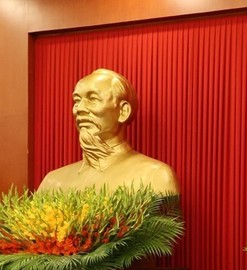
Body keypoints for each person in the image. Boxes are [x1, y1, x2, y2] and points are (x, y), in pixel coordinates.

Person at [38, 68, 179, 195]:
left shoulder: (155, 177)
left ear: (123, 111)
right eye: (76, 100)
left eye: (92, 99)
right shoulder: (52, 182)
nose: (78, 109)